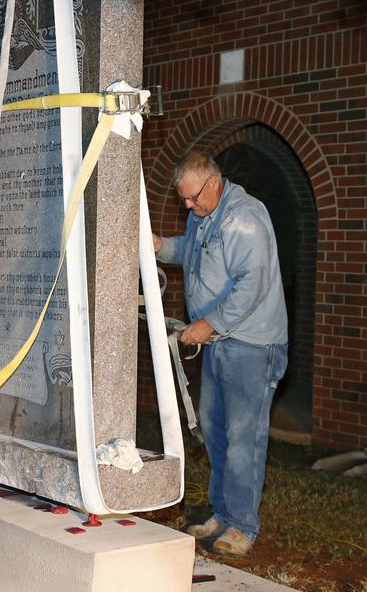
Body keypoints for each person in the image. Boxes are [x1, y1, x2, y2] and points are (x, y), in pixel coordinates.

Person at [153, 152, 287, 557]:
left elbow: (252, 285)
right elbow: (190, 253)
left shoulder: (244, 219)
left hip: (251, 345)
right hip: (219, 343)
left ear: (213, 182)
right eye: (184, 201)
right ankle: (222, 512)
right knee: (214, 430)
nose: (188, 207)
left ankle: (243, 525)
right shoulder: (203, 214)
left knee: (244, 437)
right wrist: (158, 245)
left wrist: (207, 324)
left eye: (193, 198)